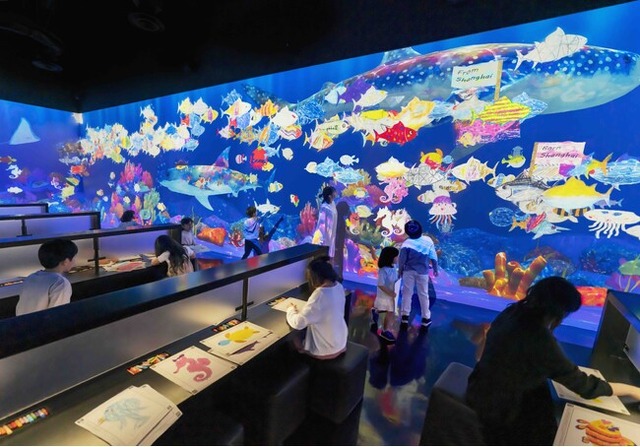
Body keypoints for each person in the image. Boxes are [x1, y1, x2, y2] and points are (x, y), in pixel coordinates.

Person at [466, 276, 640, 445]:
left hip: (478, 391)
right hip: (501, 414)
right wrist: (632, 391)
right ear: (558, 312)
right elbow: (585, 386)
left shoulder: (513, 312)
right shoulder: (538, 339)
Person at [286, 256, 348, 359]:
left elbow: (298, 323)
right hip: (340, 345)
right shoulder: (338, 287)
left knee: (292, 339)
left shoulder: (319, 295)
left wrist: (290, 310)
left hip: (325, 351)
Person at [16, 239, 78, 316]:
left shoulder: (30, 278)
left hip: (22, 322)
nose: (75, 261)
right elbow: (57, 315)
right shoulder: (60, 283)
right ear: (66, 261)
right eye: (74, 257)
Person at [398, 220, 438, 329]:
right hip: (423, 272)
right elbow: (433, 256)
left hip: (408, 272)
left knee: (407, 294)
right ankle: (426, 318)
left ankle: (405, 317)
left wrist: (400, 270)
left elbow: (402, 260)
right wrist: (435, 268)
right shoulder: (428, 240)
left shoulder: (406, 243)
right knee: (424, 294)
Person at [371, 246, 399, 342]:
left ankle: (375, 312)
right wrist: (390, 293)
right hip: (385, 295)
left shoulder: (394, 267)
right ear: (390, 257)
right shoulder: (383, 270)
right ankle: (385, 330)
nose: (398, 258)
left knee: (387, 310)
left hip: (391, 294)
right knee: (389, 311)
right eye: (396, 256)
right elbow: (380, 284)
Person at [312, 185, 339, 258]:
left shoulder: (332, 204)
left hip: (331, 233)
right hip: (325, 236)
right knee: (324, 255)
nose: (336, 194)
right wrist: (321, 239)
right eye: (334, 193)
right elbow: (321, 225)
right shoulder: (324, 208)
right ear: (330, 196)